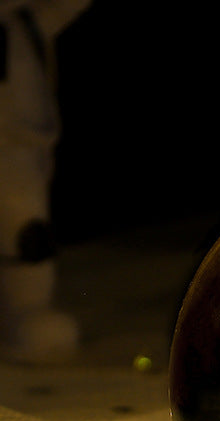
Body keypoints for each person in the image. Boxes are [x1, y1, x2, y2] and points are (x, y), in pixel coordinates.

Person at [0, 0, 90, 362]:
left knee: (26, 228)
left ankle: (27, 308)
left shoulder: (25, 24)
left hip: (22, 139)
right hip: (16, 138)